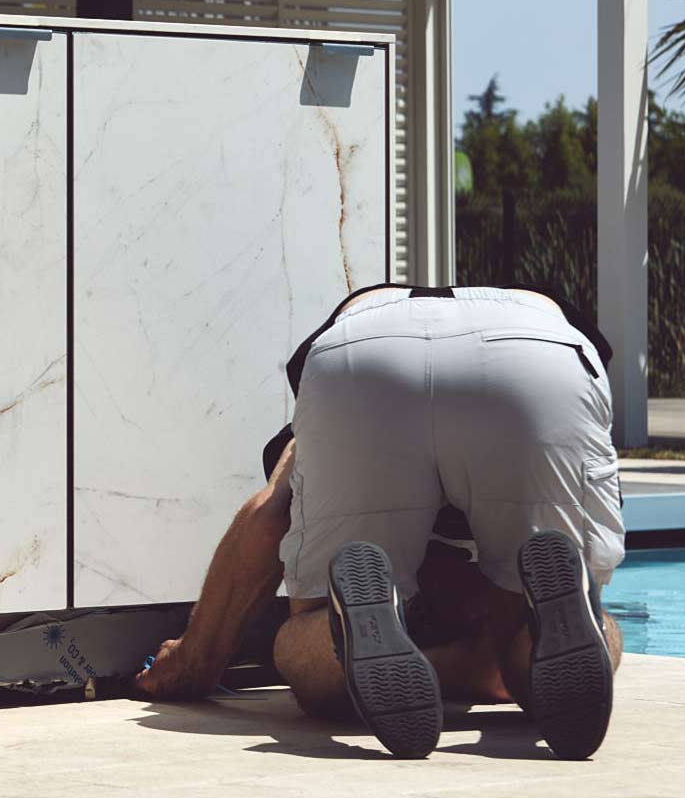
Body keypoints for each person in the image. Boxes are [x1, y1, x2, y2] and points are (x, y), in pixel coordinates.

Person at [133, 284, 624, 761]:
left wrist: (195, 659)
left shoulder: (326, 408)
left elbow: (269, 516)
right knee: (527, 638)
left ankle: (349, 629)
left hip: (367, 351)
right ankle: (553, 628)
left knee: (309, 630)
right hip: (538, 353)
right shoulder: (531, 314)